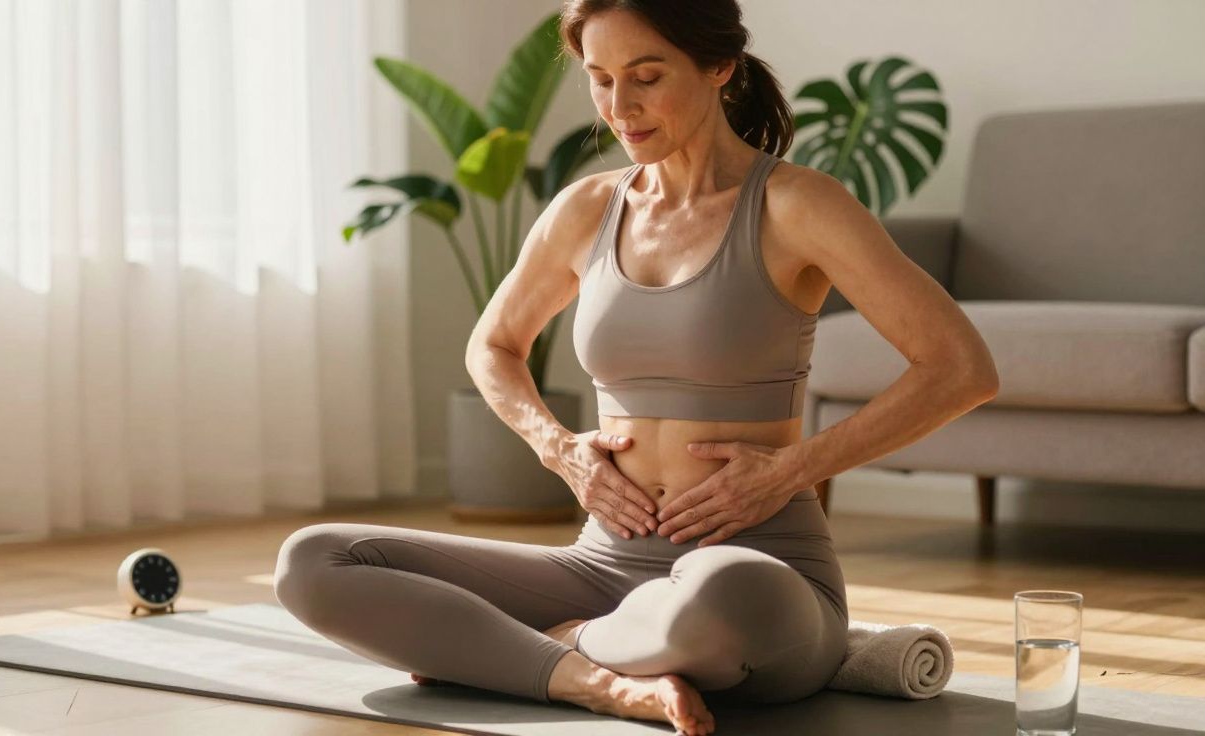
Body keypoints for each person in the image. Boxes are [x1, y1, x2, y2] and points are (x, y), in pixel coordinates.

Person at [273, 1, 999, 734]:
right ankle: (598, 680)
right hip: (601, 569)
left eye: (647, 77)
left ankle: (535, 648)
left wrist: (790, 471)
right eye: (600, 80)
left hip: (756, 569)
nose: (621, 107)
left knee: (724, 599)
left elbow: (960, 367)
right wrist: (559, 450)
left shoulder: (794, 205)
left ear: (719, 66)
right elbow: (491, 346)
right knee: (315, 561)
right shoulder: (585, 209)